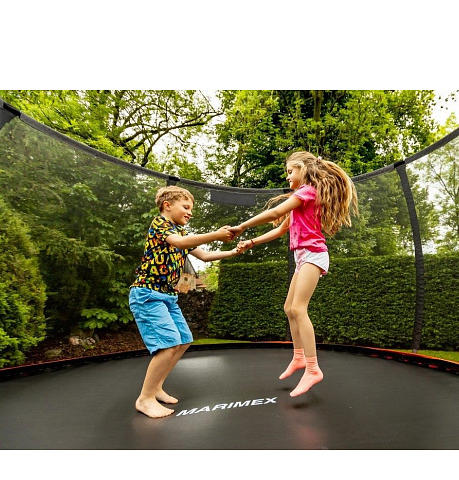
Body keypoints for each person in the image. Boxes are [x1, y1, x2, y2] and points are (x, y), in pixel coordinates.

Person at [230, 151, 359, 398]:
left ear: (303, 169)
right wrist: (252, 242)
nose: (287, 176)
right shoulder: (301, 198)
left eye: (290, 171)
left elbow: (273, 213)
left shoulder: (307, 192)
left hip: (313, 254)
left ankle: (313, 368)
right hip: (303, 256)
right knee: (289, 308)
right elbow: (281, 229)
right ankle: (299, 357)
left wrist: (242, 226)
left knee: (299, 309)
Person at [129, 185, 239, 418]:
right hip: (147, 294)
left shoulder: (179, 232)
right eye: (186, 207)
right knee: (169, 343)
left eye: (191, 209)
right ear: (167, 206)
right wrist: (216, 234)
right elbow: (180, 243)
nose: (190, 212)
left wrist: (233, 252)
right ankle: (145, 398)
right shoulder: (160, 224)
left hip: (168, 296)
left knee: (184, 340)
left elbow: (205, 256)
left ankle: (156, 387)